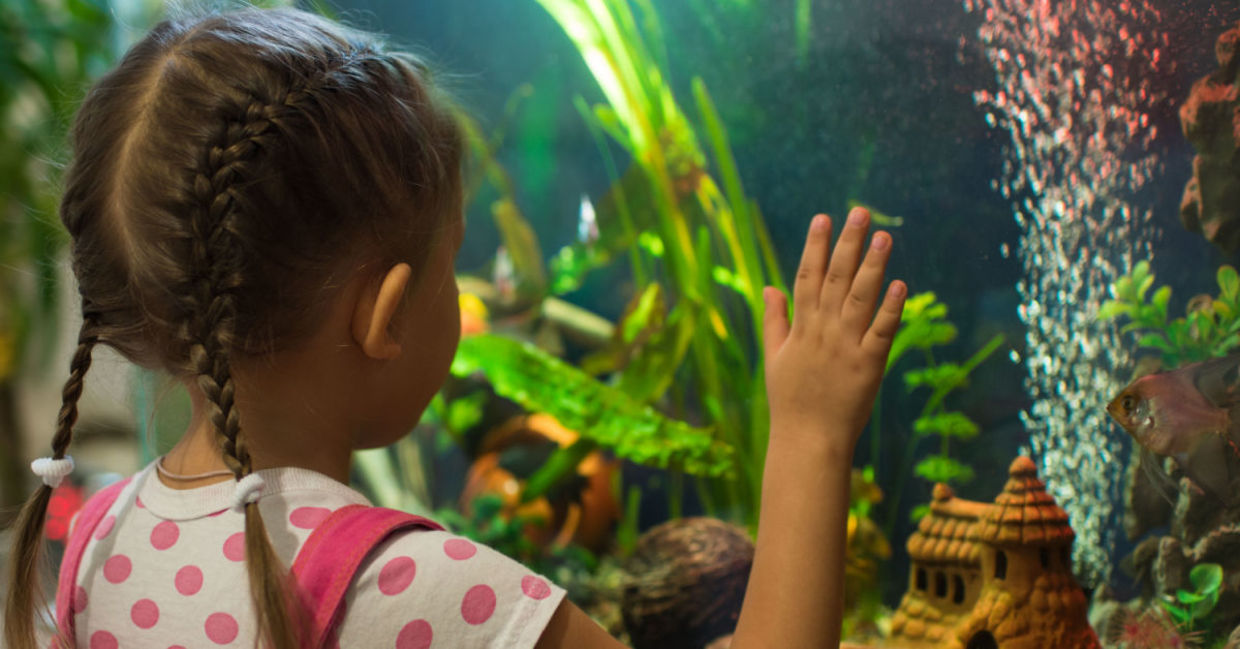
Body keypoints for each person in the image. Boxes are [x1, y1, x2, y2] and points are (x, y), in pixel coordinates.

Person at [3, 7, 906, 649]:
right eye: (451, 265)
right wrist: (814, 433)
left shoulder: (101, 540)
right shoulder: (421, 592)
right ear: (384, 312)